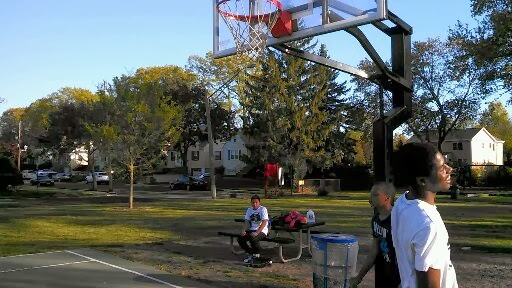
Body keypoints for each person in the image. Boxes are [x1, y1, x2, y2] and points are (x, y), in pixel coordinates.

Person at [391, 143, 458, 288]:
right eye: (441, 168)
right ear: (422, 181)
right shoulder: (428, 224)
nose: (449, 169)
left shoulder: (401, 203)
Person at [350, 182, 401, 288]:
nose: (370, 197)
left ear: (387, 197)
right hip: (383, 274)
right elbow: (374, 251)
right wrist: (359, 277)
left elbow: (408, 254)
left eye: (375, 194)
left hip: (399, 277)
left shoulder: (398, 219)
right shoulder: (376, 219)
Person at [238, 194, 269, 263]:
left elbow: (264, 222)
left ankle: (257, 253)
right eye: (253, 202)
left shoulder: (263, 209)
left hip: (262, 231)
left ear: (259, 202)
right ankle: (251, 252)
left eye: (256, 202)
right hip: (252, 229)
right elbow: (246, 221)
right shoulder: (249, 210)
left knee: (253, 239)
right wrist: (243, 230)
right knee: (240, 238)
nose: (254, 204)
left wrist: (257, 232)